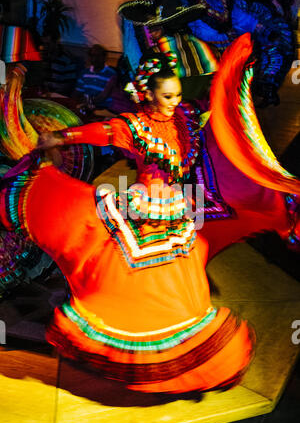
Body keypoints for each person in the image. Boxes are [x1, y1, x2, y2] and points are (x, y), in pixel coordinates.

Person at [0, 45, 258, 396]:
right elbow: (103, 131)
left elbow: (207, 110)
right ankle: (129, 330)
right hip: (143, 207)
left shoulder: (183, 120)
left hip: (175, 212)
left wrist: (232, 83)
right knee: (126, 271)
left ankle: (185, 337)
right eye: (166, 95)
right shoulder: (134, 126)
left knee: (186, 269)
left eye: (177, 94)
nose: (173, 101)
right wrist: (60, 137)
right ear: (149, 94)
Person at [73, 44, 118, 114]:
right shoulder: (84, 73)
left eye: (98, 56)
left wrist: (87, 102)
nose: (94, 59)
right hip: (87, 107)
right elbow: (77, 93)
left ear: (104, 57)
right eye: (92, 55)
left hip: (105, 109)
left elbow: (103, 97)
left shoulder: (111, 74)